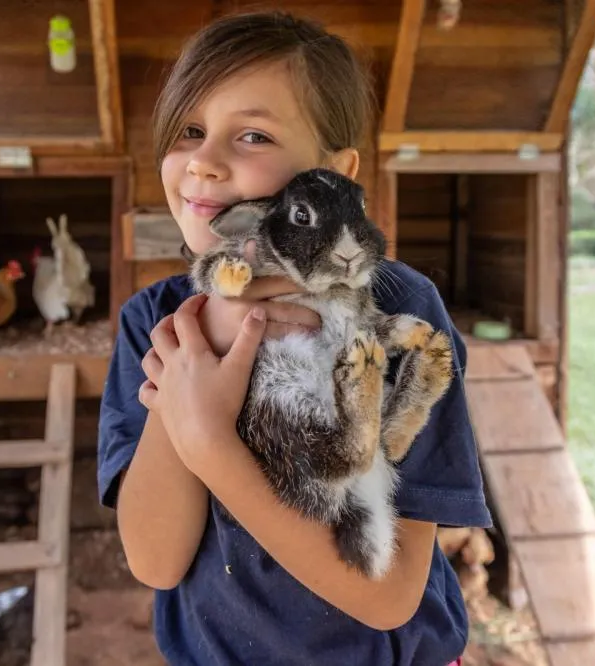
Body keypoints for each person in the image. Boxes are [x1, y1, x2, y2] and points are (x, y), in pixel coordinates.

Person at [97, 11, 492, 666]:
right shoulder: (155, 324)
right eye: (189, 131)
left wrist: (208, 441)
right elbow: (155, 561)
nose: (203, 163)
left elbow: (389, 596)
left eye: (253, 135)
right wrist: (202, 348)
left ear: (335, 173)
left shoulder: (397, 308)